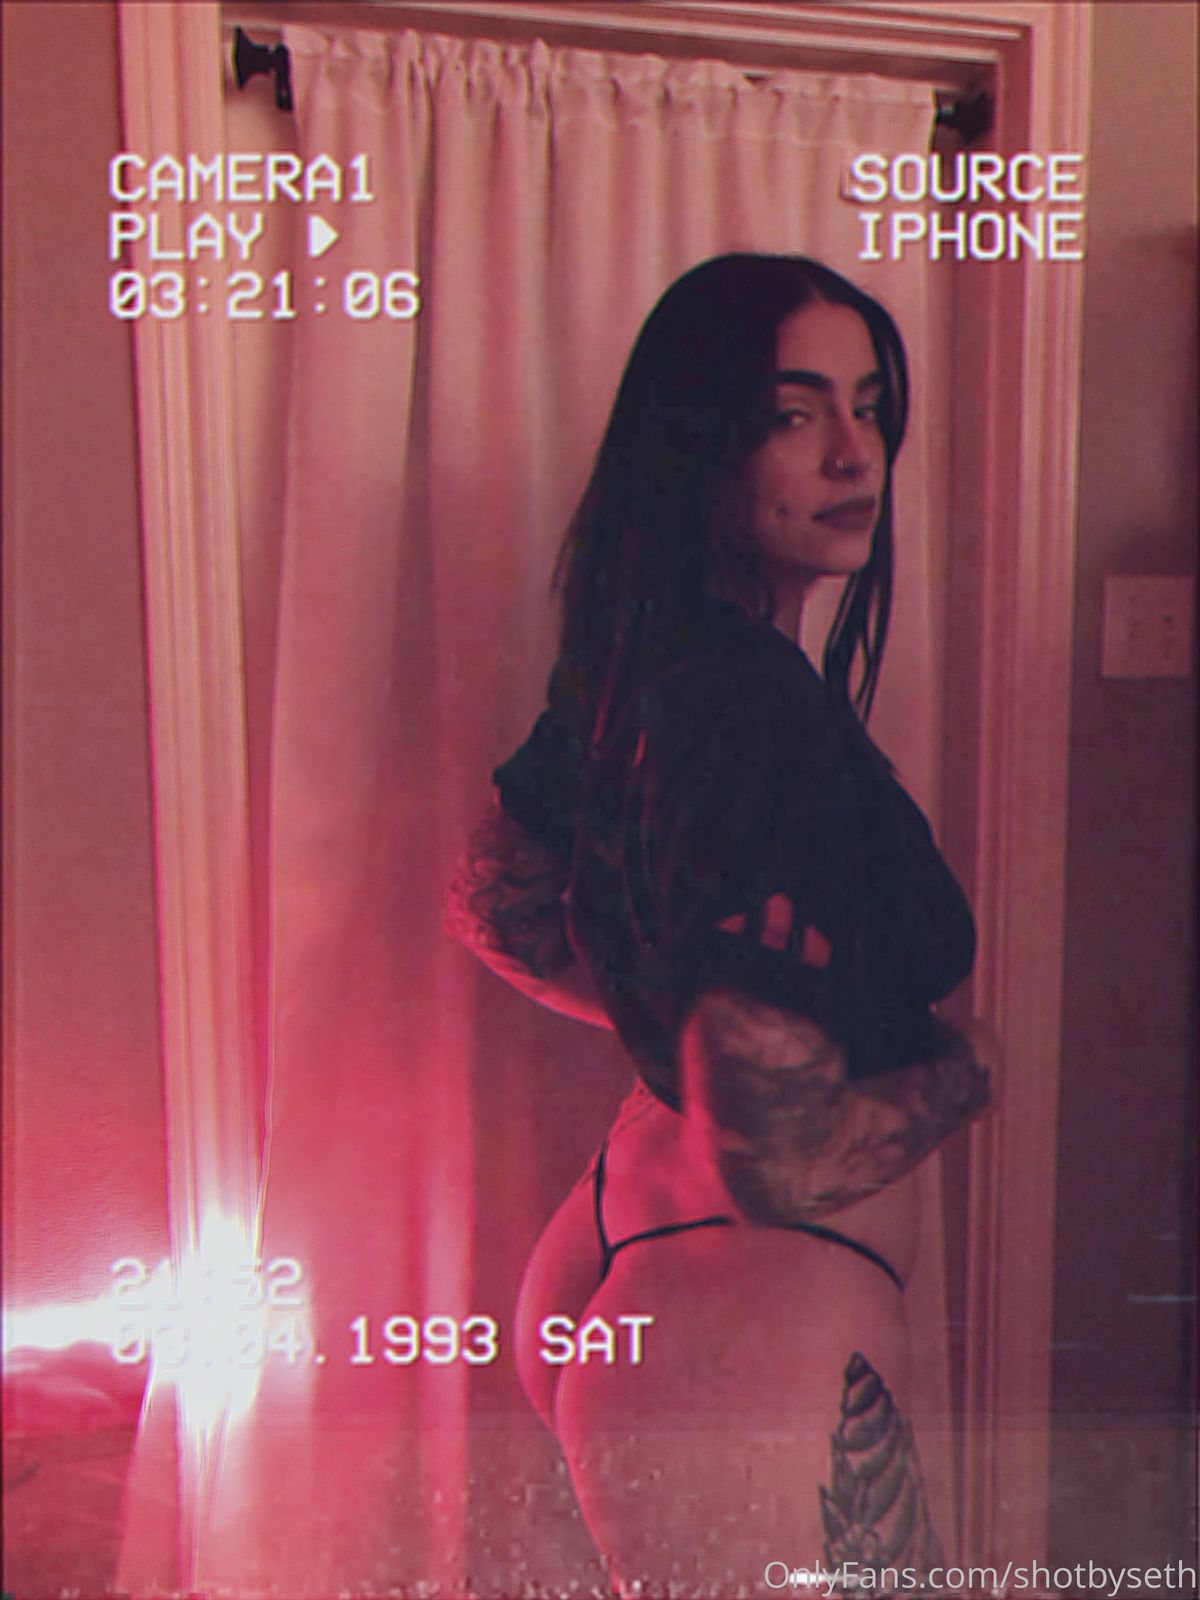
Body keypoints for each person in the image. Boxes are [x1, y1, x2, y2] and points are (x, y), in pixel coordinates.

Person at [445, 254, 996, 1597]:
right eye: (795, 413)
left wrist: (661, 1011)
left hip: (659, 1255)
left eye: (870, 407)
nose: (855, 454)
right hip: (756, 1322)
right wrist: (958, 1066)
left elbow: (489, 899)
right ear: (702, 440)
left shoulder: (656, 662)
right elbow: (779, 1156)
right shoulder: (757, 709)